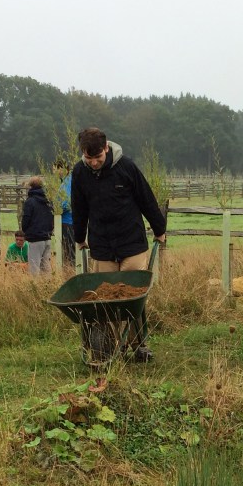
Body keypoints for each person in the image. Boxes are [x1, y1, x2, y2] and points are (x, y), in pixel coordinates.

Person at [71, 127, 167, 361]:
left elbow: (146, 199)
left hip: (131, 241)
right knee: (105, 298)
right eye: (89, 158)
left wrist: (159, 230)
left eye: (98, 157)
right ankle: (111, 345)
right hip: (102, 244)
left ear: (106, 148)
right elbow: (79, 206)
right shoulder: (80, 172)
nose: (94, 163)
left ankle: (138, 344)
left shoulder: (126, 167)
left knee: (133, 297)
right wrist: (80, 237)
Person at [22, 176, 54, 275]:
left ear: (30, 186)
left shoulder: (30, 201)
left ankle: (35, 284)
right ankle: (48, 284)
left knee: (34, 267)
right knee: (46, 267)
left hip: (35, 237)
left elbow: (26, 218)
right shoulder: (48, 200)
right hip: (47, 236)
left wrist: (25, 230)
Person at [54, 159, 75, 268]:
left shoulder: (67, 182)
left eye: (55, 169)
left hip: (67, 221)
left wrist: (56, 210)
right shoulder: (67, 180)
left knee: (69, 251)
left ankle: (70, 271)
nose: (54, 172)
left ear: (63, 169)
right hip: (69, 220)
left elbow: (66, 202)